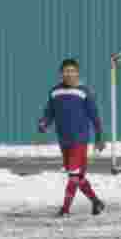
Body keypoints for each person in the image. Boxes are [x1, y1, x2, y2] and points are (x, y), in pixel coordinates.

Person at [38, 58, 106, 217]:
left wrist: (99, 137)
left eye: (72, 71)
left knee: (74, 174)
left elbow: (94, 116)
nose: (69, 74)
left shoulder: (84, 92)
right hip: (64, 140)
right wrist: (43, 124)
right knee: (78, 176)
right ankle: (97, 202)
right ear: (61, 73)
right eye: (66, 71)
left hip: (80, 139)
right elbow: (49, 113)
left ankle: (65, 209)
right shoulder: (55, 91)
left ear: (77, 73)